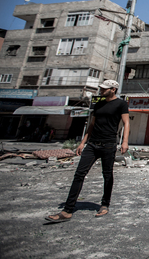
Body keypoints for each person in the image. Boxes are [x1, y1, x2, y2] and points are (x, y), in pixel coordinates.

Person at [46, 80, 129, 222]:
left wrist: (124, 141)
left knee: (107, 175)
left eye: (105, 89)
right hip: (92, 144)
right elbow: (92, 125)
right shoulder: (99, 104)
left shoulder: (121, 104)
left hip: (108, 144)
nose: (101, 90)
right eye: (101, 88)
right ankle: (67, 210)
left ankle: (105, 204)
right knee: (79, 174)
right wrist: (82, 143)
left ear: (113, 89)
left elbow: (126, 123)